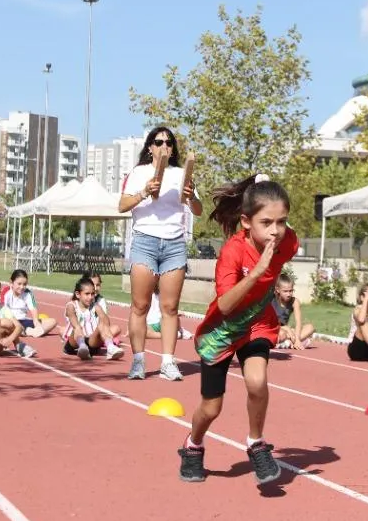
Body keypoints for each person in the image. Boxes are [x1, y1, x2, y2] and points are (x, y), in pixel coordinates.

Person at [179, 175, 298, 485]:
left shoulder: (287, 242)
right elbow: (227, 304)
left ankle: (256, 443)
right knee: (211, 407)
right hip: (223, 329)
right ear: (246, 221)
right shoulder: (232, 252)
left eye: (282, 221)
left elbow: (285, 238)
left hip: (258, 322)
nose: (275, 230)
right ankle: (193, 445)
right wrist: (257, 272)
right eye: (267, 221)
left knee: (257, 382)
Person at [119, 127, 203, 382]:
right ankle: (138, 360)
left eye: (169, 142)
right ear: (150, 147)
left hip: (174, 243)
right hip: (145, 241)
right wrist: (144, 191)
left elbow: (198, 209)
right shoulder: (138, 173)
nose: (165, 146)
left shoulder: (181, 174)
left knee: (170, 307)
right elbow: (122, 205)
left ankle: (168, 362)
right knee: (141, 305)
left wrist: (189, 197)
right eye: (159, 142)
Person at [63, 275, 124, 360]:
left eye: (92, 294)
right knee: (77, 326)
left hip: (91, 341)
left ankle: (110, 348)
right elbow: (72, 318)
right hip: (74, 341)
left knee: (103, 323)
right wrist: (77, 327)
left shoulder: (95, 306)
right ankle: (82, 347)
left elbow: (106, 322)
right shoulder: (71, 305)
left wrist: (100, 312)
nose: (90, 297)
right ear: (78, 294)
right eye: (87, 294)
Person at [3, 269, 58, 341]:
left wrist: (37, 324)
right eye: (19, 284)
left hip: (24, 321)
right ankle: (24, 331)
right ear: (11, 282)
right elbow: (3, 311)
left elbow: (33, 309)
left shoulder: (28, 293)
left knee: (53, 321)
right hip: (10, 321)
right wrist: (17, 324)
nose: (22, 287)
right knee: (4, 324)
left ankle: (28, 332)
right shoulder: (5, 292)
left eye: (24, 284)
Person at [272, 272, 314, 350]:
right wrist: (286, 328)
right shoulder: (271, 299)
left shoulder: (295, 302)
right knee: (282, 334)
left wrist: (297, 339)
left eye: (291, 291)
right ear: (277, 290)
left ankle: (291, 342)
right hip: (273, 328)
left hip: (287, 331)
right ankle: (293, 341)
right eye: (285, 291)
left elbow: (298, 323)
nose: (288, 294)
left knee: (310, 327)